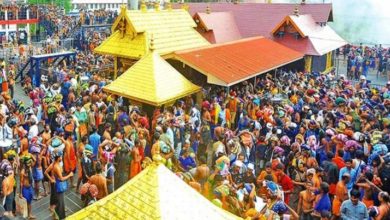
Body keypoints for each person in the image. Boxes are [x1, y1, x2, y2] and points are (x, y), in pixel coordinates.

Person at [52, 152, 74, 220]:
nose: (61, 158)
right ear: (58, 158)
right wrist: (69, 175)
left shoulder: (57, 164)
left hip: (58, 184)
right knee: (60, 203)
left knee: (60, 202)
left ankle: (56, 215)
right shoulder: (56, 166)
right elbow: (61, 179)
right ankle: (60, 217)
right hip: (58, 185)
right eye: (61, 157)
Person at [20, 155, 36, 219]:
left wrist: (30, 156)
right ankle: (26, 215)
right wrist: (20, 193)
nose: (30, 164)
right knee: (26, 202)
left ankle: (29, 215)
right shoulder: (22, 172)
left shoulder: (29, 168)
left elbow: (35, 160)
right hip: (25, 189)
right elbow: (21, 183)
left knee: (30, 202)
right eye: (28, 163)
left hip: (30, 187)